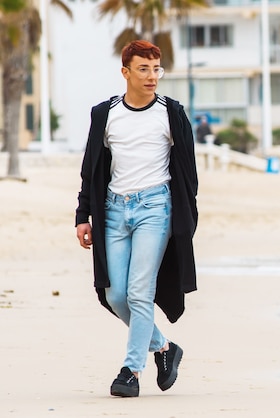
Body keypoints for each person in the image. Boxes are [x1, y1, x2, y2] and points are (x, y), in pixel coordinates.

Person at [75, 40, 198, 397]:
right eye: (143, 69)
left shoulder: (171, 112)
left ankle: (131, 371)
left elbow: (188, 171)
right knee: (116, 296)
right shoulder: (105, 113)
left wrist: (186, 218)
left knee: (140, 293)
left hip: (154, 209)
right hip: (113, 210)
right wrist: (84, 215)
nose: (152, 76)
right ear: (126, 72)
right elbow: (91, 169)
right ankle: (163, 347)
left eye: (156, 69)